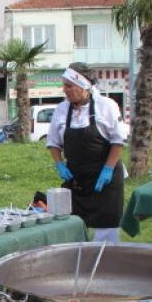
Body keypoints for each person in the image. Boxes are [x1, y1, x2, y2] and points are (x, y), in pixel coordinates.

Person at [46, 62, 126, 243]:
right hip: (77, 180)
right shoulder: (61, 109)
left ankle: (105, 259)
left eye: (69, 86)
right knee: (71, 225)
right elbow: (53, 142)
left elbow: (118, 141)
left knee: (106, 228)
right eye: (64, 86)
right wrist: (59, 164)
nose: (65, 90)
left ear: (83, 86)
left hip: (105, 180)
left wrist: (108, 169)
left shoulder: (107, 106)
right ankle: (77, 259)